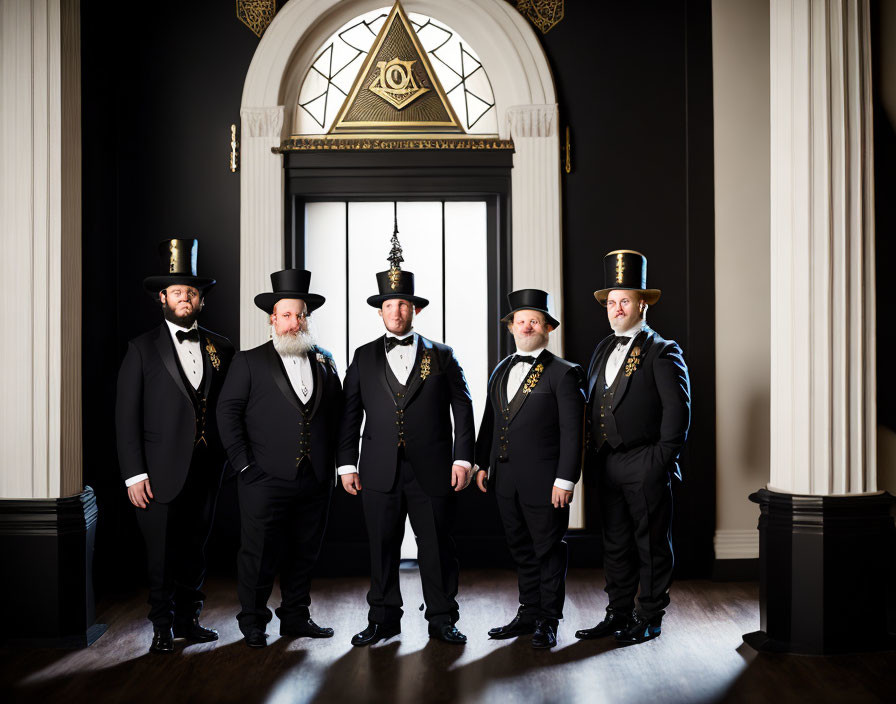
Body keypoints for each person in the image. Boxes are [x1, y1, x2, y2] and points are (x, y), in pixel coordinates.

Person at [337, 233, 475, 646]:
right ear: (380, 311)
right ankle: (382, 620)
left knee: (436, 548)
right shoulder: (362, 356)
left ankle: (442, 619)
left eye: (402, 304)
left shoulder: (443, 354)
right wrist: (346, 462)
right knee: (381, 549)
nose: (395, 311)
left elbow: (463, 407)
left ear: (414, 309)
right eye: (388, 305)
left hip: (433, 469)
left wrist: (463, 458)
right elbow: (349, 413)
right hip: (378, 469)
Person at [115, 238, 234, 654]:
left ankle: (189, 619)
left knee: (195, 548)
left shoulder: (222, 347)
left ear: (201, 298)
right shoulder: (142, 348)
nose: (185, 298)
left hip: (208, 468)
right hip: (157, 470)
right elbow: (126, 417)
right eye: (177, 292)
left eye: (192, 292)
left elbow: (231, 408)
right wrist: (134, 473)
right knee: (161, 554)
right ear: (162, 298)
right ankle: (162, 627)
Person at [217, 269, 343, 648]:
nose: (294, 322)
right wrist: (244, 466)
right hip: (263, 477)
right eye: (286, 315)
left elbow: (337, 413)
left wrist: (335, 464)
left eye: (300, 315)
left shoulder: (325, 359)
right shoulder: (249, 361)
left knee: (304, 552)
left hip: (314, 477)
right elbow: (227, 413)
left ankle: (295, 617)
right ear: (273, 318)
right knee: (257, 555)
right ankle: (253, 622)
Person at [575, 250, 690, 644]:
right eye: (611, 301)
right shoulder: (602, 349)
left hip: (645, 462)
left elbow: (678, 414)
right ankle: (618, 612)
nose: (617, 308)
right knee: (616, 544)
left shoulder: (663, 350)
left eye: (625, 300)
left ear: (643, 303)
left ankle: (650, 616)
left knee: (652, 545)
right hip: (606, 464)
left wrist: (659, 461)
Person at [474, 289, 585, 649]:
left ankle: (548, 620)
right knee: (520, 548)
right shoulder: (501, 369)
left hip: (546, 482)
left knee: (548, 550)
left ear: (547, 327)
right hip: (505, 480)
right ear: (511, 327)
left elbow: (574, 433)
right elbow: (490, 422)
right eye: (519, 320)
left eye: (534, 320)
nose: (526, 325)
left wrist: (566, 478)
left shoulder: (564, 374)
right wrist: (481, 463)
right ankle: (528, 611)